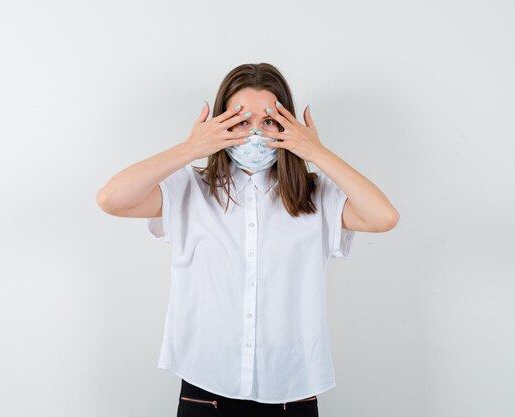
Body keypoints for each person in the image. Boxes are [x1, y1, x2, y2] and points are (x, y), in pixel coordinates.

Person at [97, 63, 399, 417]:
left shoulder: (316, 196)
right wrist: (191, 148)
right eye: (241, 121)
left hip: (292, 391)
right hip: (206, 388)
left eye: (268, 121)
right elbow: (111, 199)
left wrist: (316, 152)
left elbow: (384, 217)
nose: (255, 133)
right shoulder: (190, 191)